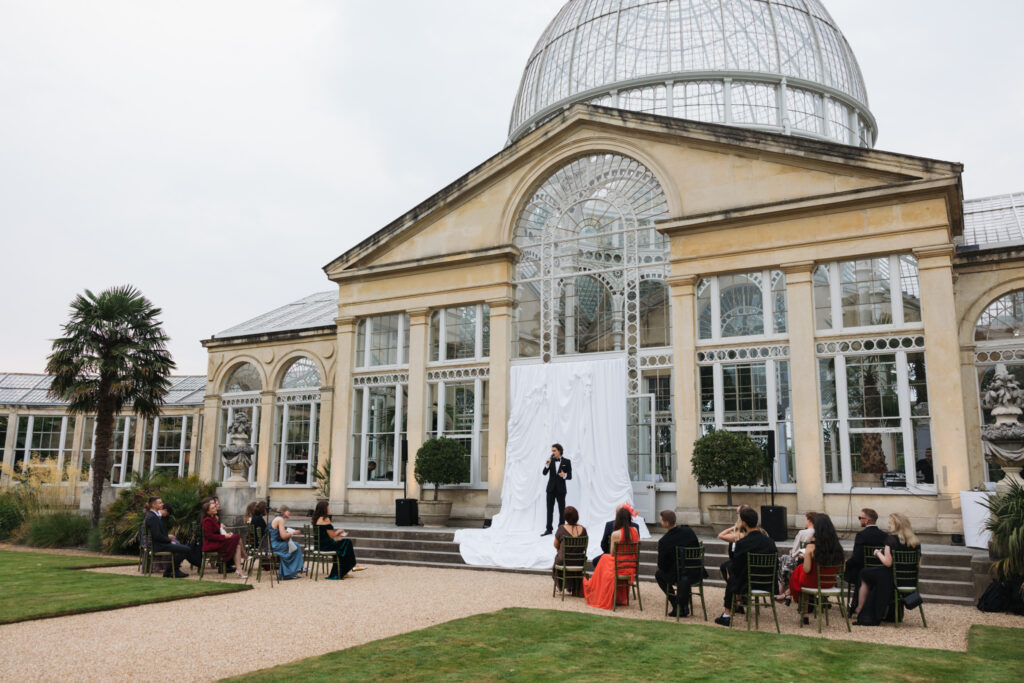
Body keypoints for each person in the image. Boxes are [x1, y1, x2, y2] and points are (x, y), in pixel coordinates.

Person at [852, 513, 921, 626]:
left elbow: (888, 563)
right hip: (909, 580)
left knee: (864, 573)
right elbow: (918, 563)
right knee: (874, 575)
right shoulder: (915, 542)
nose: (889, 526)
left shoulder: (891, 539)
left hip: (892, 578)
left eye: (890, 524)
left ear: (896, 525)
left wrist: (878, 553)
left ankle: (860, 608)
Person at [715, 506, 777, 627]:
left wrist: (730, 571)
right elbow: (776, 564)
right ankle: (733, 609)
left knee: (731, 579)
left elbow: (738, 567)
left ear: (743, 523)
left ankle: (727, 614)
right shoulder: (770, 541)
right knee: (732, 574)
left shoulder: (742, 543)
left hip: (748, 584)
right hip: (767, 582)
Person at [789, 513, 845, 623]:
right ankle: (788, 596)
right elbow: (841, 570)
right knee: (799, 571)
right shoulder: (838, 548)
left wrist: (806, 556)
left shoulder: (811, 547)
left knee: (799, 571)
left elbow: (807, 569)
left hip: (813, 583)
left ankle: (804, 613)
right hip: (829, 583)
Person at [583, 506, 639, 609]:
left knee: (604, 558)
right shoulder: (635, 530)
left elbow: (613, 553)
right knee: (604, 559)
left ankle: (597, 589)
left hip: (620, 568)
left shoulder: (616, 534)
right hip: (631, 567)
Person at [655, 509, 701, 618]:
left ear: (666, 523)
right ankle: (681, 605)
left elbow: (661, 565)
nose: (660, 522)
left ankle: (676, 604)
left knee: (659, 574)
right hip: (695, 571)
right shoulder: (688, 531)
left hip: (679, 574)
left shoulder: (664, 541)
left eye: (661, 520)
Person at [844, 507, 888, 611]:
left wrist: (846, 564)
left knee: (848, 570)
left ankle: (855, 603)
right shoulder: (884, 535)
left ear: (867, 520)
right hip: (880, 569)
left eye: (860, 517)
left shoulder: (861, 535)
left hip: (863, 571)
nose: (859, 519)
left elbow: (856, 558)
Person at [144, 497, 200, 578]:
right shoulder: (152, 517)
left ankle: (171, 571)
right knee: (186, 549)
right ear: (153, 505)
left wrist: (168, 539)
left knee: (185, 548)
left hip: (161, 544)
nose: (162, 504)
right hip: (159, 546)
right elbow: (157, 536)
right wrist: (169, 541)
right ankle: (173, 570)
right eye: (160, 503)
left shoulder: (154, 516)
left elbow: (159, 534)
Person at [312, 501, 364, 580]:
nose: (329, 508)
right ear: (324, 508)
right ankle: (344, 570)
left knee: (343, 544)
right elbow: (332, 535)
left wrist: (339, 535)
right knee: (347, 543)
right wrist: (339, 531)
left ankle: (343, 571)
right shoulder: (325, 518)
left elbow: (327, 536)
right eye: (328, 506)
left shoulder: (316, 519)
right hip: (327, 546)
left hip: (321, 545)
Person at [776, 511, 817, 603]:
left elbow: (794, 552)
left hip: (802, 563)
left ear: (809, 520)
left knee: (784, 559)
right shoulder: (820, 534)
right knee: (786, 561)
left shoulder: (803, 533)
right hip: (814, 567)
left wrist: (792, 552)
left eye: (806, 520)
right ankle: (787, 593)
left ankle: (782, 590)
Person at [201, 498, 247, 578]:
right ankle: (244, 556)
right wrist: (224, 536)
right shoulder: (207, 520)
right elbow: (209, 536)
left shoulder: (213, 518)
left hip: (217, 542)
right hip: (211, 545)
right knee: (237, 537)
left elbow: (217, 532)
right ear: (208, 512)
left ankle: (239, 570)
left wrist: (226, 535)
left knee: (237, 545)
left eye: (215, 507)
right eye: (213, 508)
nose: (215, 508)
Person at [551, 506, 588, 597]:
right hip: (579, 561)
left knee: (558, 560)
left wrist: (560, 551)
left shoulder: (561, 529)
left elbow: (555, 544)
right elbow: (585, 546)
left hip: (564, 560)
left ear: (565, 517)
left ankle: (561, 586)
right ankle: (573, 586)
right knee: (567, 559)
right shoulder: (583, 530)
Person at [592, 503, 641, 569]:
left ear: (617, 514)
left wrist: (608, 554)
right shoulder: (635, 528)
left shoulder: (611, 527)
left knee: (599, 560)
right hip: (631, 561)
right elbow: (636, 547)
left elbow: (604, 544)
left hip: (616, 560)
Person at [541, 443, 572, 537]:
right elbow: (544, 473)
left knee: (562, 510)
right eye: (552, 451)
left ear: (559, 451)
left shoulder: (567, 461)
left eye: (554, 451)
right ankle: (549, 529)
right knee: (549, 509)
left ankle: (561, 529)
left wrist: (565, 475)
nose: (553, 452)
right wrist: (547, 465)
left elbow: (570, 476)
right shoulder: (551, 461)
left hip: (561, 490)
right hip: (550, 489)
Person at [269, 505, 305, 580]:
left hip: (272, 544)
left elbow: (278, 533)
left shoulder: (275, 519)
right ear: (284, 512)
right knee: (296, 546)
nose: (289, 513)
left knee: (294, 545)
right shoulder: (280, 520)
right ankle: (290, 572)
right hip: (276, 545)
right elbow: (283, 536)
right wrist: (293, 533)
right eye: (288, 511)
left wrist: (287, 532)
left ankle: (289, 571)